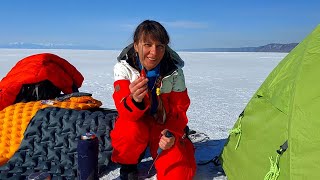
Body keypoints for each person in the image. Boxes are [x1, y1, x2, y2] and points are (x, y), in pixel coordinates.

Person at [110, 20, 196, 180]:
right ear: (136, 45)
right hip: (137, 123)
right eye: (147, 44)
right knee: (129, 130)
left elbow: (180, 109)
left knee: (179, 174)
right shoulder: (123, 69)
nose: (154, 52)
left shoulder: (174, 72)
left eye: (160, 46)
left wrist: (172, 133)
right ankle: (129, 164)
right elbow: (123, 109)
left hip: (163, 125)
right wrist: (134, 100)